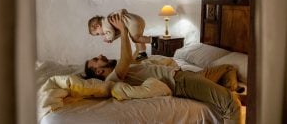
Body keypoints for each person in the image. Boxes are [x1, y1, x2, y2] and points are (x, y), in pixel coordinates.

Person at [85, 14, 242, 124]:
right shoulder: (113, 77)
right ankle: (227, 93)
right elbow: (126, 58)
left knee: (228, 67)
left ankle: (227, 87)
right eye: (96, 60)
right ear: (98, 72)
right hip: (181, 82)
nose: (99, 55)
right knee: (230, 103)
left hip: (185, 75)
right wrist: (123, 31)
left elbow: (137, 54)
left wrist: (135, 37)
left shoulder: (121, 66)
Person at [88, 9, 155, 61]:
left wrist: (109, 39)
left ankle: (154, 40)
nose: (100, 35)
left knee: (135, 39)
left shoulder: (105, 25)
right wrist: (112, 38)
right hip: (136, 19)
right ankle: (143, 53)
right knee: (139, 39)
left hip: (132, 22)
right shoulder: (109, 21)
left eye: (97, 33)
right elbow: (120, 33)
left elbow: (110, 33)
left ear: (97, 26)